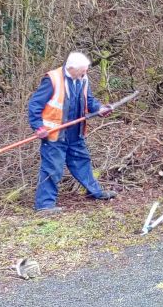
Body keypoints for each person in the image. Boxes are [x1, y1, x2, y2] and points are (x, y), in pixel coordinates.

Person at [27, 52, 116, 214]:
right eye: (83, 70)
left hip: (76, 133)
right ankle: (44, 205)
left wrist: (99, 109)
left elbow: (88, 100)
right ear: (71, 68)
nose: (85, 73)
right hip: (54, 135)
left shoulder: (82, 79)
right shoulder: (52, 80)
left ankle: (94, 192)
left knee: (82, 162)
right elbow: (35, 105)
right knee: (52, 168)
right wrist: (38, 126)